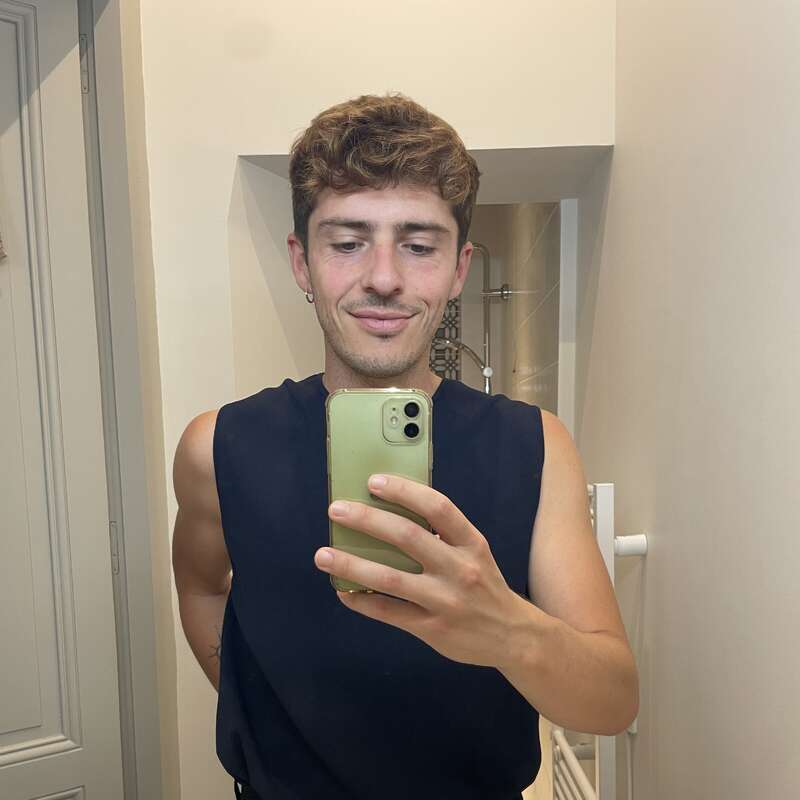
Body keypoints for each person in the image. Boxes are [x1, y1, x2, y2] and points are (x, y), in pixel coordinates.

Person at [172, 92, 638, 800]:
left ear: (459, 268)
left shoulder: (536, 446)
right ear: (302, 262)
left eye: (419, 245)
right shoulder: (217, 446)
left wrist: (506, 630)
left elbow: (612, 701)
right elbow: (201, 587)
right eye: (347, 242)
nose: (384, 277)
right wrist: (262, 716)